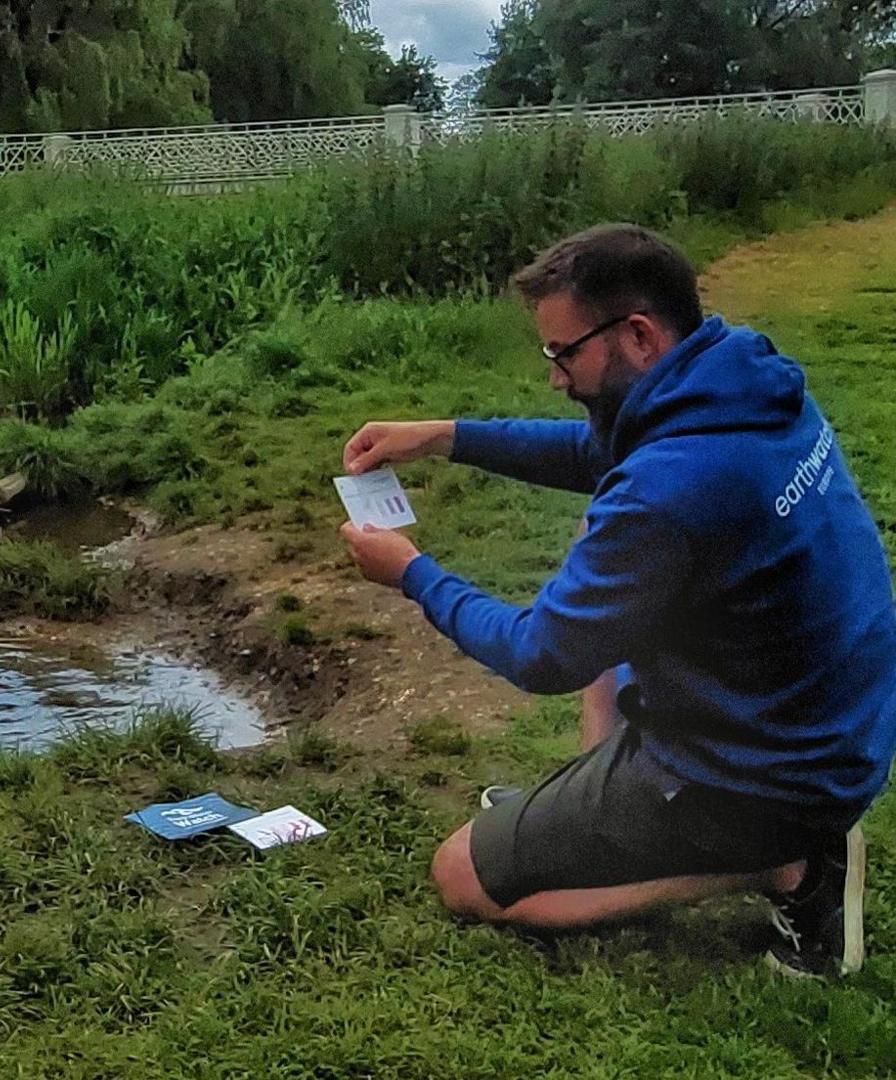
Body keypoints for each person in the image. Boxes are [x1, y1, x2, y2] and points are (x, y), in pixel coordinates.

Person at [338, 223, 896, 977]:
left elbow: (542, 654)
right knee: (604, 545)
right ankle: (602, 807)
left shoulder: (671, 489)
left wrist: (411, 572)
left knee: (463, 876)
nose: (555, 378)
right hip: (825, 716)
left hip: (768, 771)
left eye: (564, 354)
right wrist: (443, 436)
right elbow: (604, 457)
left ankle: (786, 866)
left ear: (637, 333)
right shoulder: (739, 379)